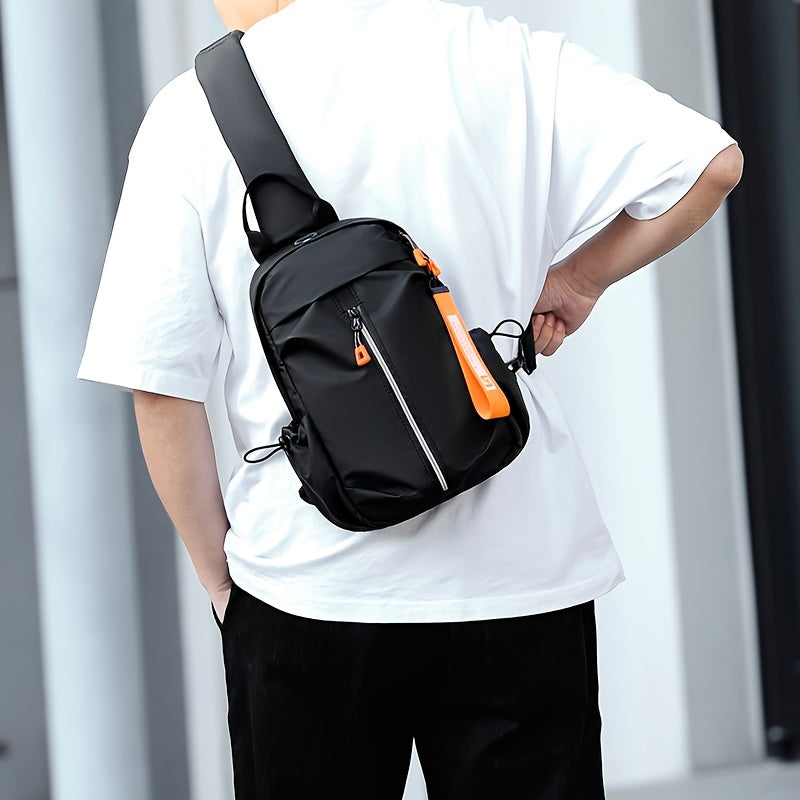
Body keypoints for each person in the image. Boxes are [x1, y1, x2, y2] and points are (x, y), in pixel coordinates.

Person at [78, 0, 743, 797]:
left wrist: (222, 582)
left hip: (310, 584)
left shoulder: (193, 112)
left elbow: (159, 386)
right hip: (522, 570)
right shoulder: (507, 57)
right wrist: (579, 279)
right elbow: (712, 165)